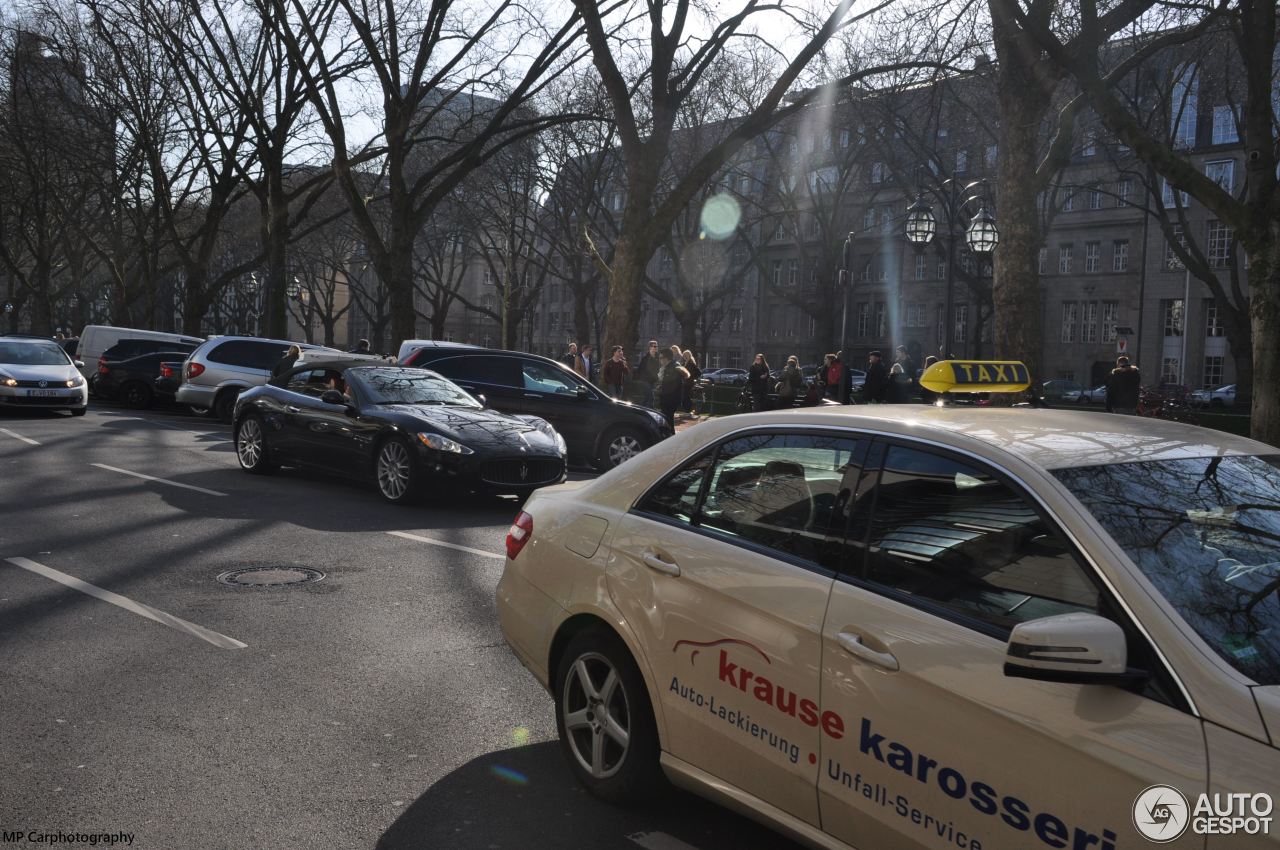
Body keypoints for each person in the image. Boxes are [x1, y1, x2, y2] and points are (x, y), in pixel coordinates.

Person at [656, 349, 689, 431]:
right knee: (668, 420)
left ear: (666, 358)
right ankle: (669, 436)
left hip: (669, 399)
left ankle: (670, 437)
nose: (660, 360)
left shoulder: (672, 369)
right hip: (671, 399)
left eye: (661, 358)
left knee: (668, 420)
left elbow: (673, 386)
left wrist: (663, 392)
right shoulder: (671, 367)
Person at [638, 340, 661, 407]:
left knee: (647, 397)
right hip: (646, 380)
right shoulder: (646, 358)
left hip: (653, 380)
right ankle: (651, 410)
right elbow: (641, 368)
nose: (656, 347)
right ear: (650, 347)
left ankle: (641, 409)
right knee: (650, 396)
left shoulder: (659, 358)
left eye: (657, 346)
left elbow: (659, 368)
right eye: (654, 346)